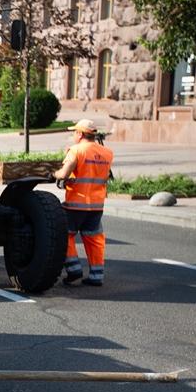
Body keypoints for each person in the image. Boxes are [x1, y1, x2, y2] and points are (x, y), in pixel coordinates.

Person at [52, 119, 114, 287]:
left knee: (64, 235)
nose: (73, 135)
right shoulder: (107, 153)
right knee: (94, 239)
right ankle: (96, 275)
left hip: (75, 204)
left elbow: (64, 174)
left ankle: (74, 269)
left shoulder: (76, 150)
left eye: (74, 132)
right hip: (96, 205)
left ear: (79, 134)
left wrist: (55, 173)